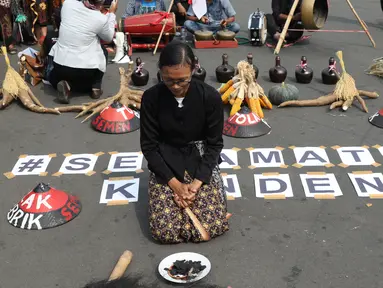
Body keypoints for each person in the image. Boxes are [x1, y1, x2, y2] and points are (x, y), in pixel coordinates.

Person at [140, 41, 230, 244]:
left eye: (182, 80)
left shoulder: (210, 97)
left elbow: (215, 144)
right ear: (161, 73)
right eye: (168, 80)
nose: (176, 87)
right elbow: (149, 146)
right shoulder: (151, 98)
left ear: (194, 69)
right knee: (165, 232)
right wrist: (175, 185)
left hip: (200, 158)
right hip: (165, 160)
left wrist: (196, 184)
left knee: (210, 227)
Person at [48, 0, 118, 104]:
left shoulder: (67, 4)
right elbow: (108, 38)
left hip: (60, 65)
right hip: (85, 71)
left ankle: (68, 85)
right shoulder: (101, 19)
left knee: (52, 77)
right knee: (103, 51)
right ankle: (95, 86)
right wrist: (111, 14)